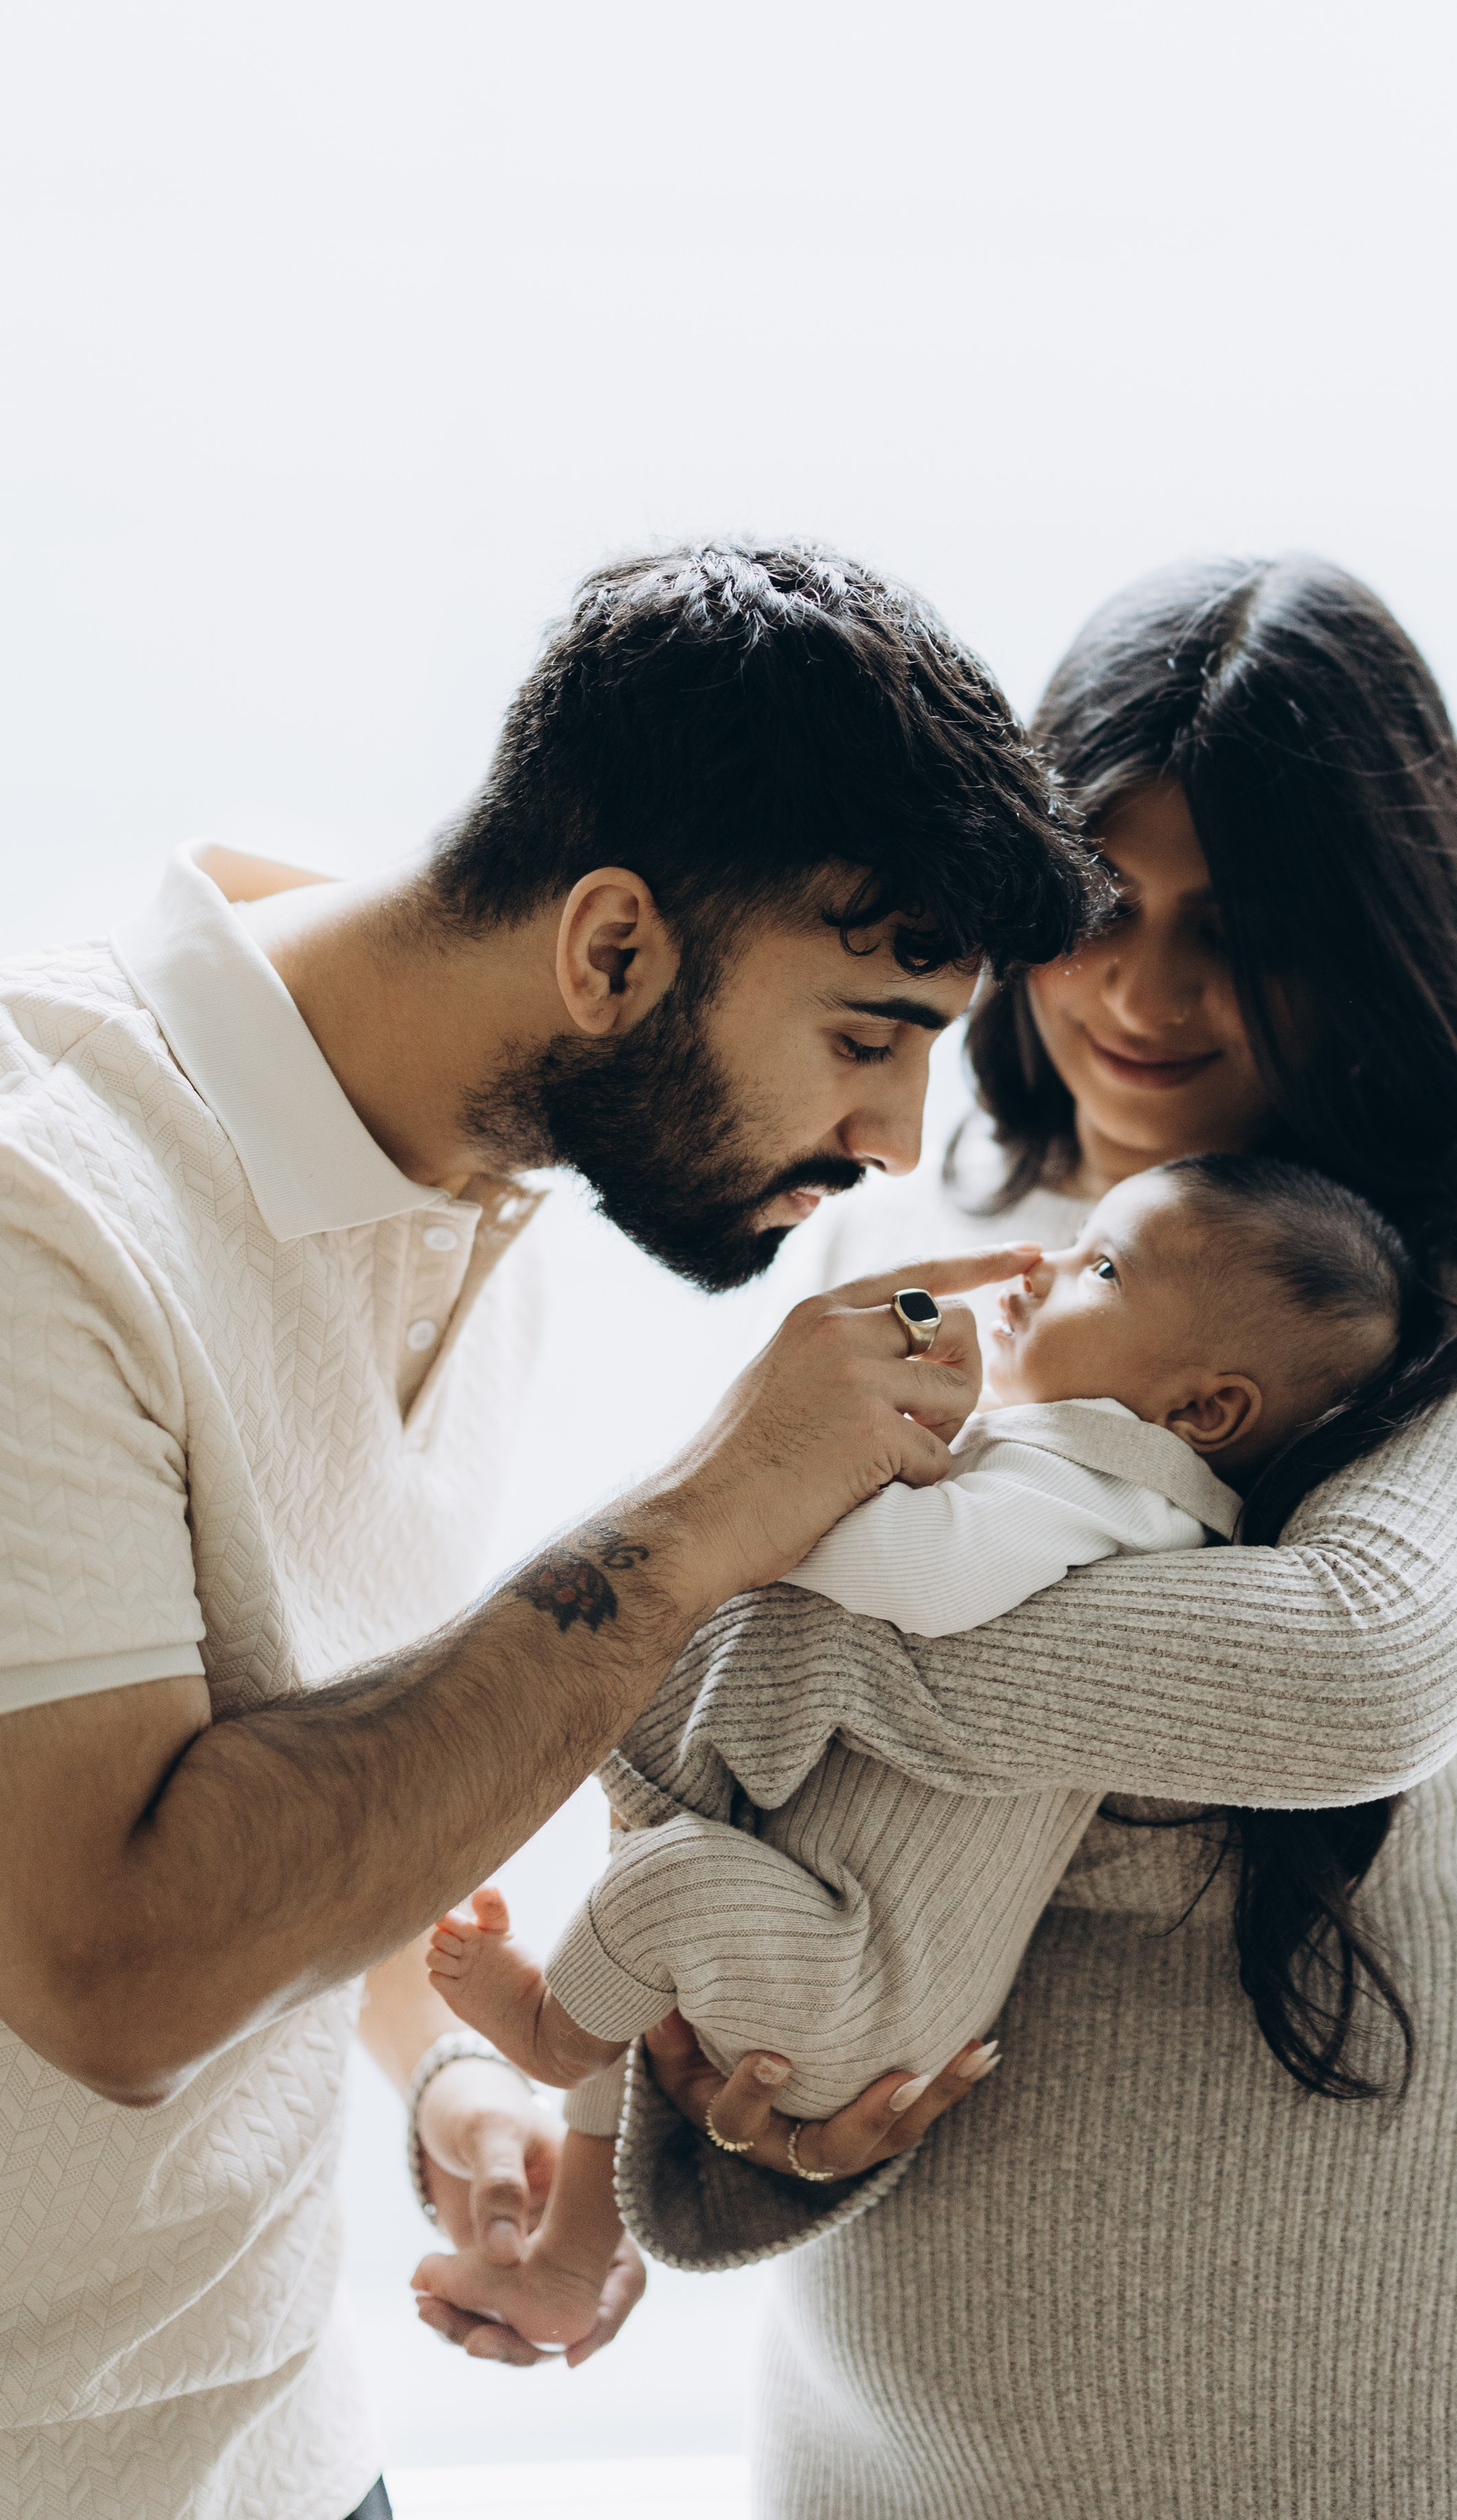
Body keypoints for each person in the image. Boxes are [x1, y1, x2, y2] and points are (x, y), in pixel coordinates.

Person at [438, 554, 1457, 2520]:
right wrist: (680, 2158)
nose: (1144, 994)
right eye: (1109, 909)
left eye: (1244, 930)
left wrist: (815, 1637)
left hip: (1357, 2425)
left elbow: (1344, 1676)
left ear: (1377, 937)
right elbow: (718, 1799)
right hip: (870, 2434)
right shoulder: (898, 1239)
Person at [0, 542, 1099, 2520]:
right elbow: (117, 1973)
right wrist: (700, 1520)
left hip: (284, 2443)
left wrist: (458, 2073)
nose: (890, 1141)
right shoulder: (45, 1205)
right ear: (608, 952)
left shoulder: (478, 1182)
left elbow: (307, 1767)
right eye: (866, 1037)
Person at [408, 1152, 1409, 2351]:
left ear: (1203, 1412)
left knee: (661, 1889)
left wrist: (798, 1472)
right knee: (654, 1897)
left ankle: (549, 2034)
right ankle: (569, 2263)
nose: (1042, 1266)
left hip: (859, 1973)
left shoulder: (1111, 1481)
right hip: (842, 1950)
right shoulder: (1083, 1472)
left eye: (1100, 1267)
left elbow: (919, 1572)